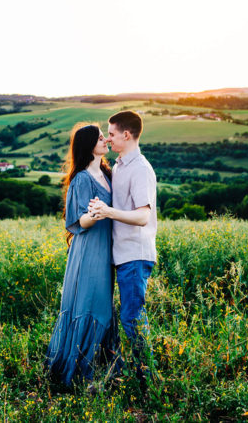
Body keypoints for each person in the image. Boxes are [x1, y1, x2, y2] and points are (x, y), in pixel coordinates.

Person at [45, 123, 122, 386]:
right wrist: (95, 213)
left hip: (106, 248)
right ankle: (77, 371)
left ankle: (102, 365)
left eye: (104, 137)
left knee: (103, 304)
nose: (105, 141)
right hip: (89, 249)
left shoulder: (107, 174)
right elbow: (79, 222)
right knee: (91, 303)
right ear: (88, 145)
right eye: (101, 138)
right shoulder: (81, 179)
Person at [88, 110, 157, 383]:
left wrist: (108, 212)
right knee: (125, 317)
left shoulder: (141, 169)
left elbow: (142, 216)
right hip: (122, 254)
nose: (109, 139)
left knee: (131, 317)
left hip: (135, 255)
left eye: (112, 134)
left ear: (126, 135)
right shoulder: (119, 166)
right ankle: (128, 371)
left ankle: (148, 380)